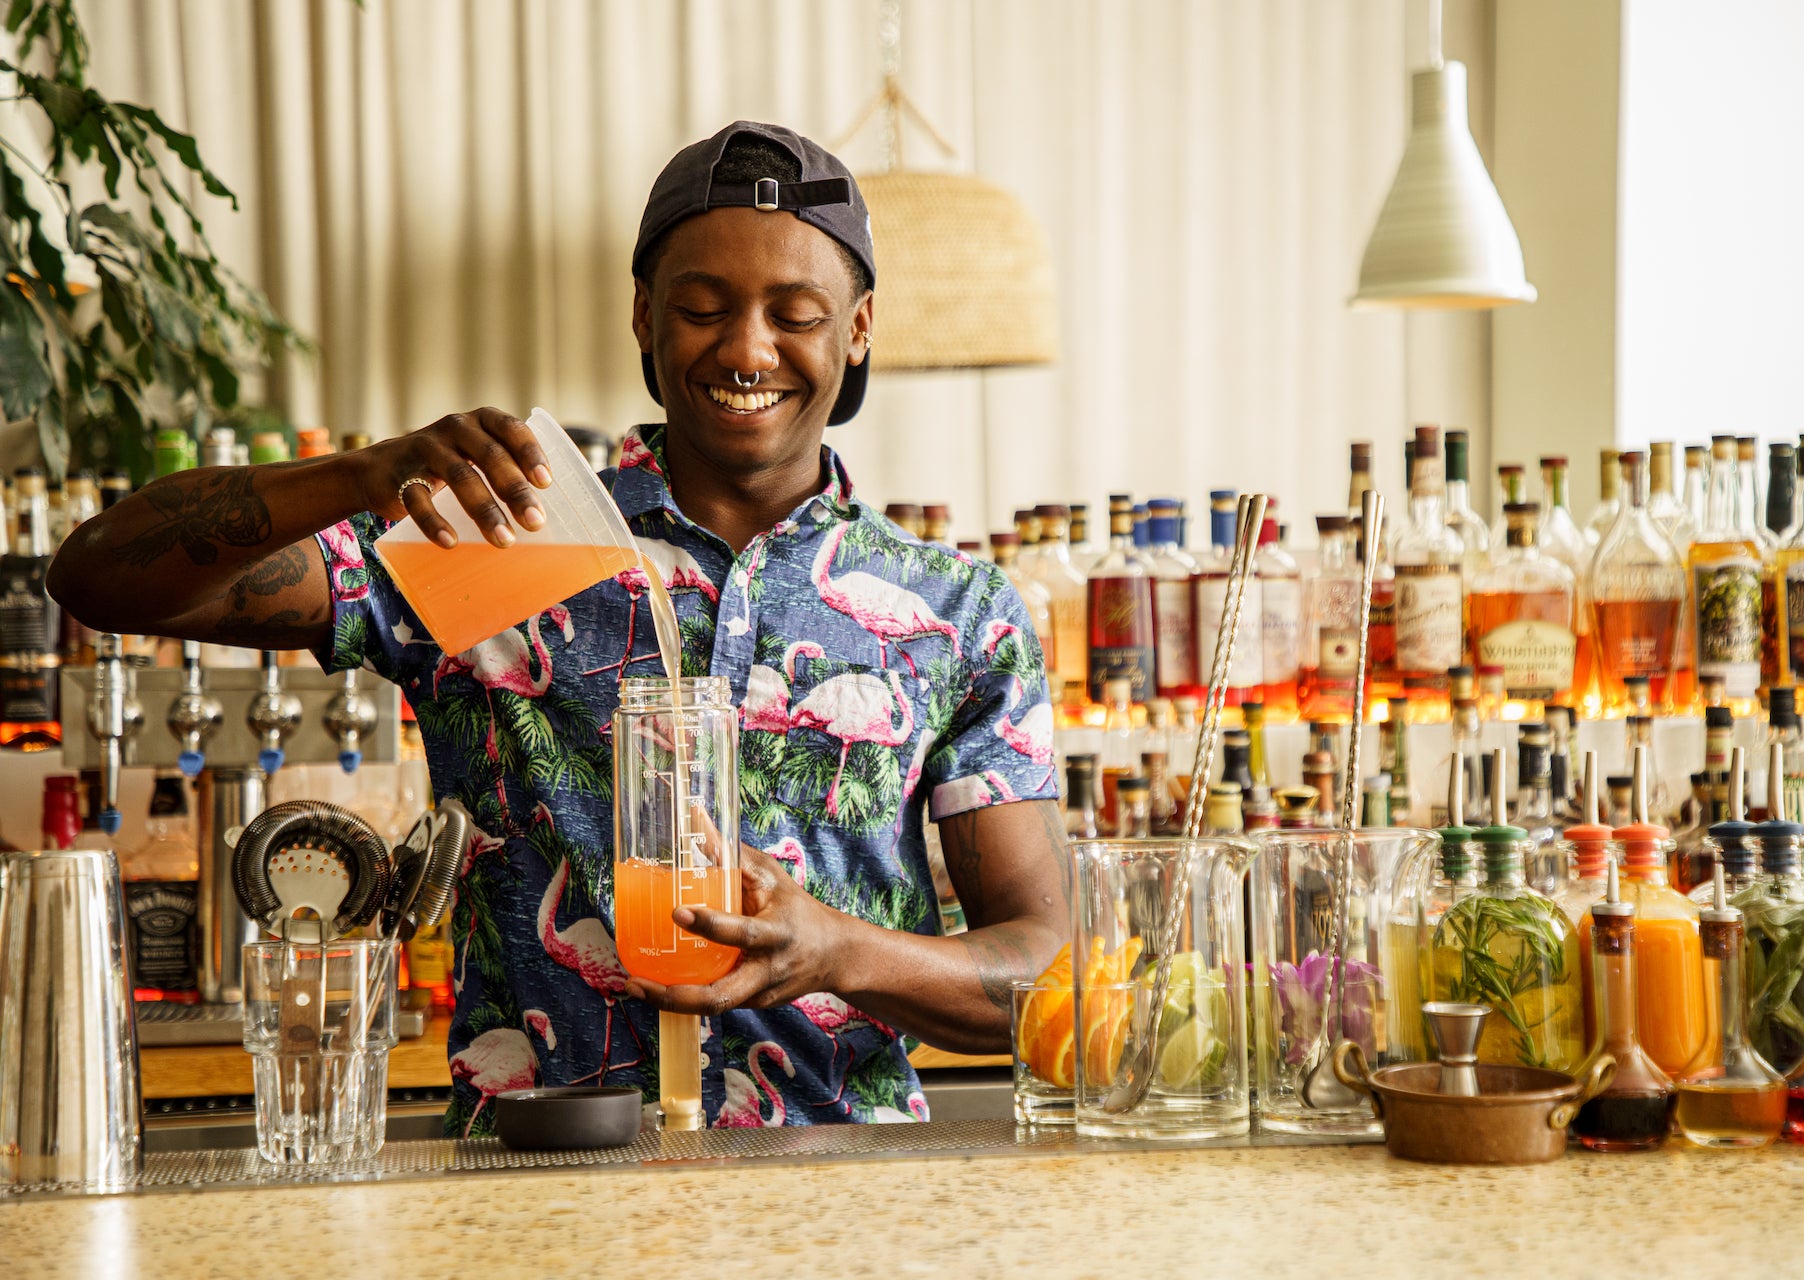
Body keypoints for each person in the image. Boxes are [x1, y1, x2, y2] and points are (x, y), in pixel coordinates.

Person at [50, 121, 1067, 1131]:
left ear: (858, 328)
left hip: (849, 1203)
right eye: (703, 307)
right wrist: (364, 473)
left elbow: (1048, 970)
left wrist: (838, 949)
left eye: (794, 313)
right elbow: (99, 578)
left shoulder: (955, 614)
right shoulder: (497, 540)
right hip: (537, 1188)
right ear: (643, 318)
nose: (747, 347)